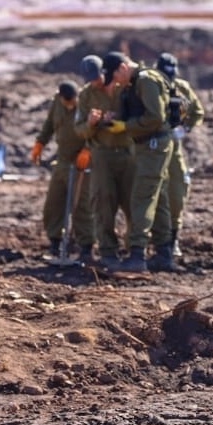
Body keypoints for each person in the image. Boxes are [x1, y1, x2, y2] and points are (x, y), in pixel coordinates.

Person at [101, 51, 175, 274]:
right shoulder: (134, 83)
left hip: (154, 146)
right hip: (146, 146)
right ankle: (164, 253)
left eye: (116, 77)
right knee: (157, 197)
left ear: (123, 67)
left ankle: (137, 255)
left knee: (141, 196)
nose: (116, 83)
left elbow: (155, 117)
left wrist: (127, 127)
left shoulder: (146, 80)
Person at [73, 54, 134, 268]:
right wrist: (91, 123)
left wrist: (117, 118)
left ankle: (134, 250)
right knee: (102, 203)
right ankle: (108, 251)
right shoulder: (86, 95)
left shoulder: (123, 87)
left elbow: (137, 115)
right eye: (91, 79)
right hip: (102, 155)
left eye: (98, 76)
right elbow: (79, 130)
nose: (96, 81)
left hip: (129, 153)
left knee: (133, 202)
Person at [30, 80, 95, 263]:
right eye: (66, 102)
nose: (69, 105)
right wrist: (40, 142)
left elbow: (95, 130)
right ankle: (55, 243)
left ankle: (86, 247)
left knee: (81, 206)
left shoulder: (86, 104)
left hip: (81, 163)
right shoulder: (57, 103)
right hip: (62, 160)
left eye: (72, 101)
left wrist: (88, 149)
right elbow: (50, 124)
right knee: (54, 204)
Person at [155, 52, 204, 259]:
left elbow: (197, 111)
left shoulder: (182, 87)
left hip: (174, 147)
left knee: (177, 191)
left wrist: (185, 128)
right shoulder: (149, 85)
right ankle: (153, 240)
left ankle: (173, 239)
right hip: (153, 147)